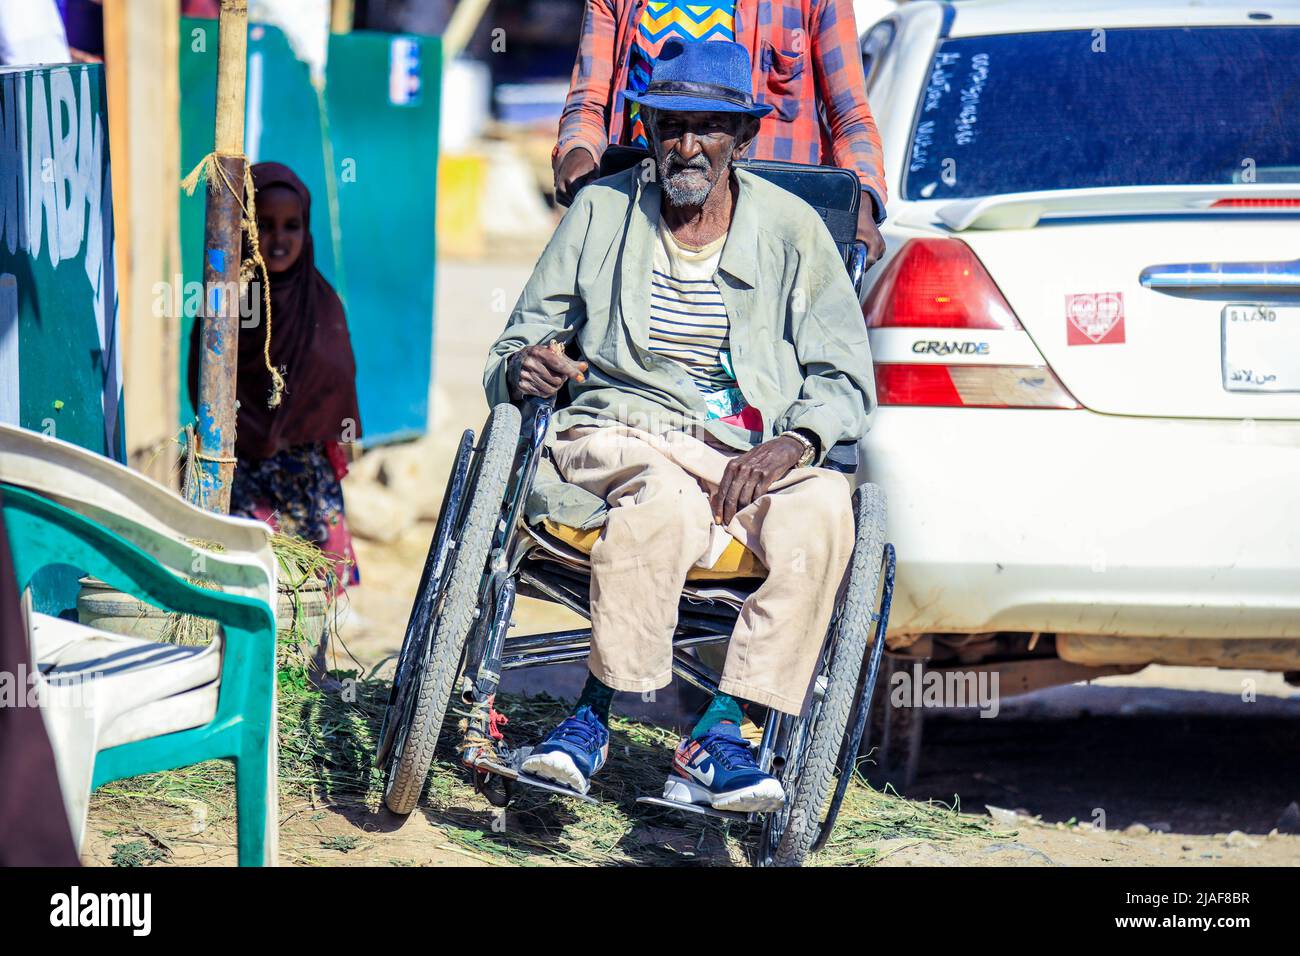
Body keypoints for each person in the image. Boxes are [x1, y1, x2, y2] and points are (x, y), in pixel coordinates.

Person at [484, 40, 874, 812]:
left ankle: (723, 729)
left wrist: (794, 442)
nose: (687, 145)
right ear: (650, 129)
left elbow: (844, 379)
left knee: (827, 508)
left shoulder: (794, 232)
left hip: (744, 450)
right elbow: (514, 346)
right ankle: (591, 718)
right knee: (665, 500)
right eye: (670, 126)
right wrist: (524, 368)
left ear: (744, 140)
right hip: (622, 428)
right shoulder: (601, 213)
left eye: (708, 127)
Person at [552, 0, 887, 262]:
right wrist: (578, 150)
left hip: (768, 234)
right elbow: (589, 104)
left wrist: (863, 201)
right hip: (645, 216)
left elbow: (849, 114)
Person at [188, 162, 362, 590]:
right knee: (251, 586)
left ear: (307, 230)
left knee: (313, 598)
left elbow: (337, 383)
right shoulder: (225, 303)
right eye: (265, 225)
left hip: (306, 479)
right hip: (242, 474)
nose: (279, 239)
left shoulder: (323, 304)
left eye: (292, 226)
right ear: (246, 228)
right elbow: (204, 380)